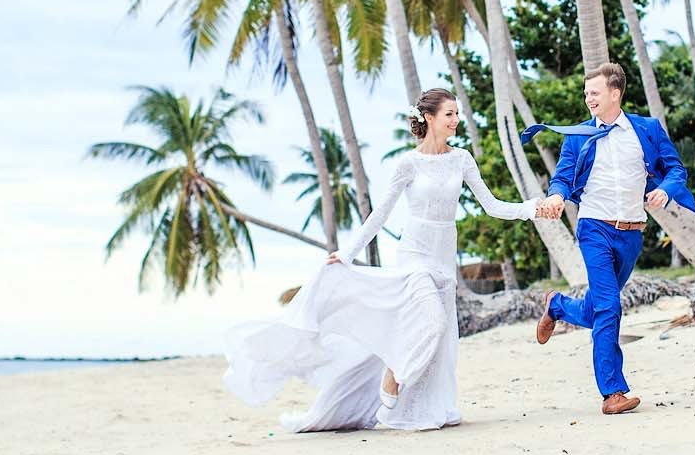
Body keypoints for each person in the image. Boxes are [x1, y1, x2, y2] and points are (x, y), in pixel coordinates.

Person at [223, 88, 537, 432]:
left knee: (441, 341)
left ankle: (422, 408)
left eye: (456, 114)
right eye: (449, 114)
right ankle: (395, 372)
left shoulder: (461, 159)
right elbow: (380, 214)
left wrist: (532, 209)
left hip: (444, 257)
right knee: (432, 322)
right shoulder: (408, 163)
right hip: (415, 256)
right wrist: (347, 253)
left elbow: (492, 205)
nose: (456, 120)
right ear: (429, 118)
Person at [524, 62, 695, 415]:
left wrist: (665, 190)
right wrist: (556, 197)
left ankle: (558, 306)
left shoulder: (647, 129)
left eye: (595, 92)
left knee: (599, 308)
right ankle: (613, 392)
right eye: (586, 93)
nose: (589, 98)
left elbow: (676, 169)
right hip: (594, 229)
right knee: (609, 307)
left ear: (615, 93)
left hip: (631, 233)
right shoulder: (578, 135)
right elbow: (563, 177)